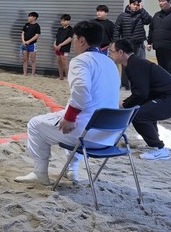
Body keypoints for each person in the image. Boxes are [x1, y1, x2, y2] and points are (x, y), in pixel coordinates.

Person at [15, 20, 120, 185]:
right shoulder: (110, 63)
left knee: (35, 124)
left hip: (87, 134)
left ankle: (40, 173)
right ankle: (72, 169)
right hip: (110, 134)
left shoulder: (81, 61)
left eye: (75, 38)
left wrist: (70, 117)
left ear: (82, 40)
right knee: (62, 117)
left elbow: (81, 90)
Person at [108, 39, 171, 161]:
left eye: (111, 51)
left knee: (139, 116)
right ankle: (153, 144)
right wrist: (128, 104)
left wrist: (124, 104)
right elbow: (143, 94)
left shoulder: (135, 65)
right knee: (144, 110)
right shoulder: (134, 63)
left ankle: (159, 149)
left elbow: (141, 94)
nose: (110, 54)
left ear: (120, 52)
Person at [113, 0, 152, 90]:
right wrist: (116, 42)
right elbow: (117, 29)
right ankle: (125, 84)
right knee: (125, 64)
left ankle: (139, 84)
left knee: (140, 64)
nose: (135, 6)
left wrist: (142, 9)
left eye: (137, 5)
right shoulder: (122, 16)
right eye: (134, 4)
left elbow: (149, 20)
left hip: (139, 43)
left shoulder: (141, 14)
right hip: (126, 44)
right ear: (129, 4)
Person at [53, 14, 74, 80]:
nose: (62, 22)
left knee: (65, 62)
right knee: (59, 62)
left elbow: (69, 39)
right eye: (61, 21)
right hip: (57, 48)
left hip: (65, 48)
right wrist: (55, 44)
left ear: (68, 21)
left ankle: (68, 77)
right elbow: (56, 38)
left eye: (64, 21)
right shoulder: (60, 29)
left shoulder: (70, 29)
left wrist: (60, 45)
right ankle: (61, 76)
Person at [20, 12, 41, 76]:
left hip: (32, 44)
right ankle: (25, 73)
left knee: (33, 60)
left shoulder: (37, 26)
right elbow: (22, 33)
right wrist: (23, 41)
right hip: (25, 44)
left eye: (30, 16)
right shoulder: (26, 24)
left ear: (34, 18)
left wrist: (29, 41)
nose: (28, 18)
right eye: (28, 16)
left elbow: (37, 35)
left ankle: (33, 74)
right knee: (25, 59)